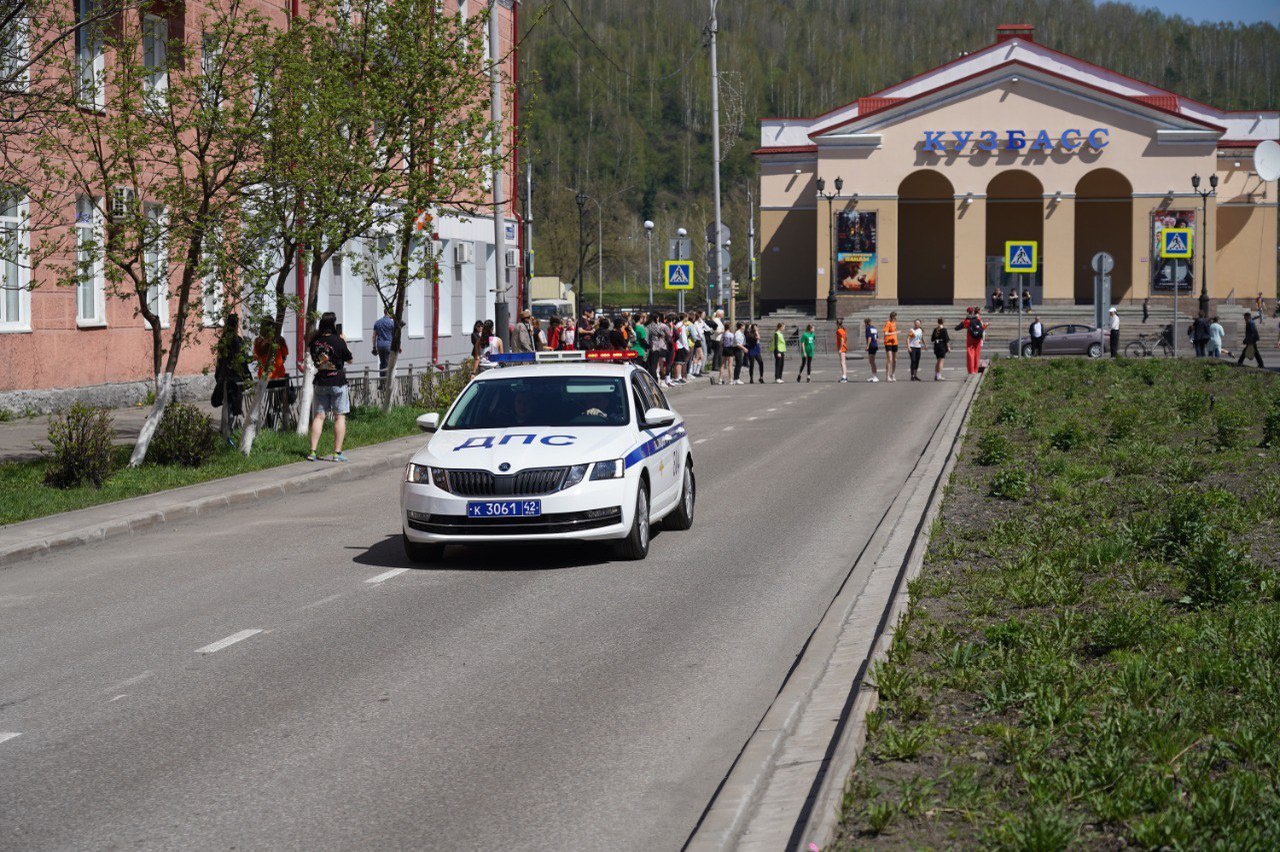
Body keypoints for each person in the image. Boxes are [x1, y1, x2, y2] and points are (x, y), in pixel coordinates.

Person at [307, 311, 353, 462]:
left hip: (320, 381)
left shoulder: (315, 341)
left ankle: (312, 452)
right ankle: (337, 453)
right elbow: (350, 359)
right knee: (339, 417)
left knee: (319, 417)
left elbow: (313, 355)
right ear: (333, 324)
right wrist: (344, 341)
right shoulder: (338, 341)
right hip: (338, 382)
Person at [212, 312, 249, 426]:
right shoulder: (238, 341)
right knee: (235, 402)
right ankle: (232, 427)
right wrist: (247, 377)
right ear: (236, 325)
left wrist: (218, 376)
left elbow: (220, 361)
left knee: (227, 403)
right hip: (235, 378)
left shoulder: (223, 340)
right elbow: (242, 361)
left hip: (224, 377)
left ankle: (226, 428)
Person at [955, 307, 985, 375]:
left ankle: (971, 371)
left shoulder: (966, 321)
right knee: (977, 354)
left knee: (970, 354)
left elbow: (957, 328)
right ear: (973, 312)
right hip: (978, 339)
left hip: (970, 338)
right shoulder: (978, 319)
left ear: (968, 312)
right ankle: (976, 370)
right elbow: (982, 327)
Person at [372, 307, 396, 384]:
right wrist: (399, 346)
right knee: (388, 364)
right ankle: (387, 383)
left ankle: (382, 382)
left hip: (380, 345)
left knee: (382, 363)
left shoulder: (378, 322)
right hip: (388, 345)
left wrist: (374, 347)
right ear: (388, 313)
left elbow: (374, 336)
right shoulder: (392, 323)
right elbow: (395, 336)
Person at [883, 311, 900, 382]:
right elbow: (885, 333)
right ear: (892, 317)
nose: (896, 318)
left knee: (895, 360)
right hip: (888, 342)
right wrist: (895, 332)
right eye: (895, 316)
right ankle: (887, 376)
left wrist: (895, 334)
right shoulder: (888, 323)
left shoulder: (894, 323)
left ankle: (893, 374)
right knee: (889, 359)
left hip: (895, 342)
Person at [708, 309, 725, 375]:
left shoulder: (717, 320)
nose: (723, 315)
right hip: (717, 339)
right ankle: (715, 366)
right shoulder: (716, 321)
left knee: (718, 353)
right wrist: (723, 331)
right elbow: (717, 331)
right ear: (720, 314)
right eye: (723, 314)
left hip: (717, 339)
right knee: (718, 353)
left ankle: (717, 366)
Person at [864, 317, 879, 383]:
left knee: (871, 361)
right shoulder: (874, 328)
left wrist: (867, 346)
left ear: (866, 323)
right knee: (872, 361)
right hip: (875, 345)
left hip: (871, 345)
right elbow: (877, 338)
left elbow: (869, 338)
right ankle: (874, 376)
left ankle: (875, 376)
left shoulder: (868, 328)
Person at [836, 317, 849, 383]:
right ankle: (844, 376)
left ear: (837, 324)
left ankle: (844, 377)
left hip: (842, 348)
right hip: (844, 347)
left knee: (842, 363)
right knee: (843, 363)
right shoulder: (843, 330)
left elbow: (842, 339)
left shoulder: (839, 330)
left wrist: (840, 348)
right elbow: (846, 338)